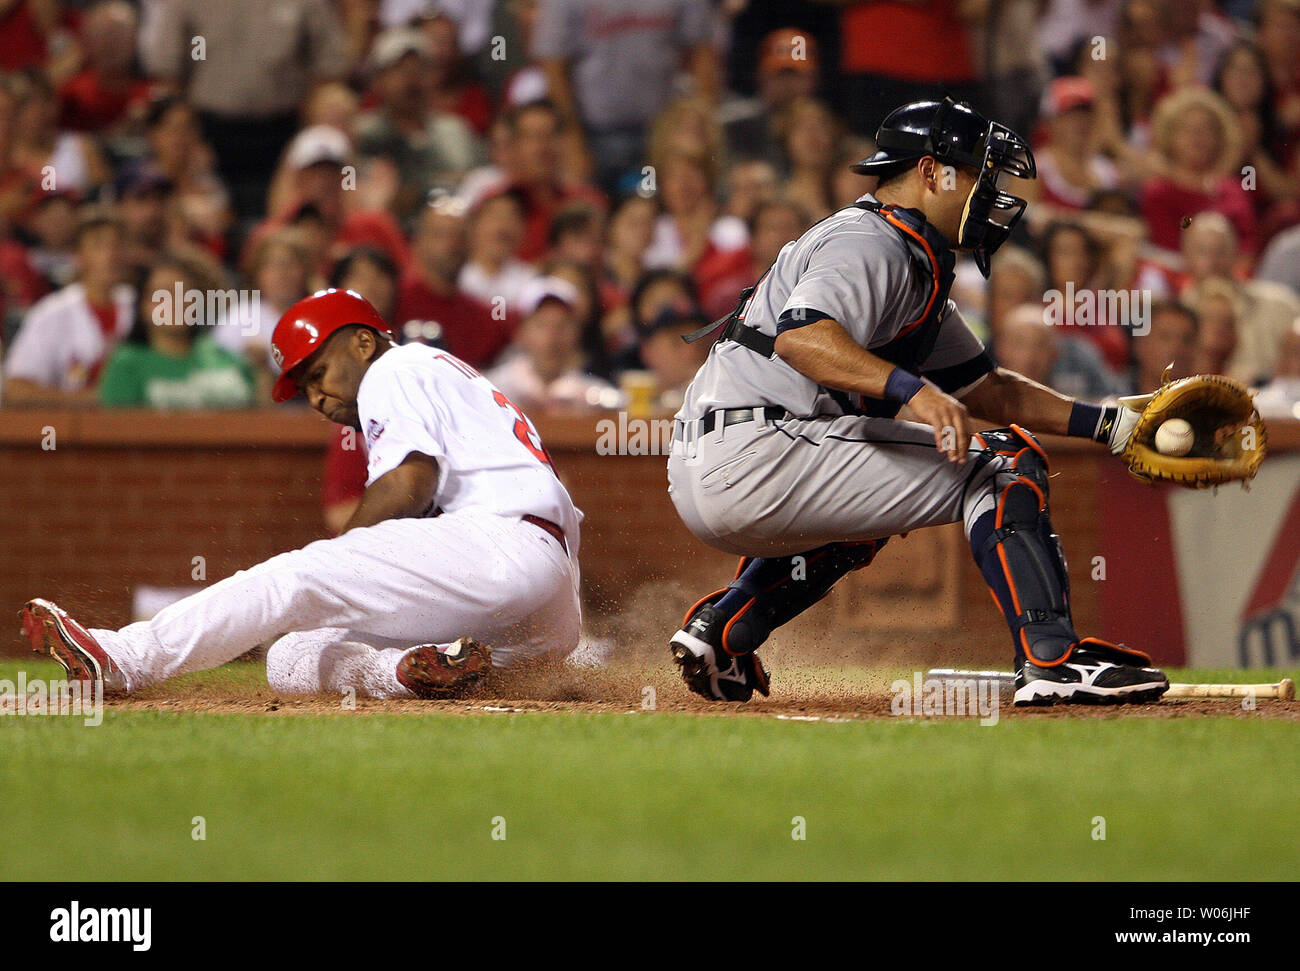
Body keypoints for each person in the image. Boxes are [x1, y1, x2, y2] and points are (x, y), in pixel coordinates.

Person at [665, 98, 1170, 707]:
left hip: (724, 460)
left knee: (866, 521)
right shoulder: (870, 241)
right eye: (982, 177)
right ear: (932, 172)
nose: (993, 195)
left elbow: (989, 387)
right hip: (760, 449)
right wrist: (912, 390)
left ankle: (725, 629)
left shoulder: (907, 255)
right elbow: (802, 338)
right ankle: (1052, 662)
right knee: (1005, 466)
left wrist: (1111, 424)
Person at [22, 288, 583, 701]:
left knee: (298, 577)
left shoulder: (396, 366)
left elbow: (409, 483)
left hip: (496, 547)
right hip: (545, 603)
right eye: (304, 386)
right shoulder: (450, 377)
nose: (315, 396)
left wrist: (339, 560)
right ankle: (399, 673)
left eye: (318, 371)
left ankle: (123, 658)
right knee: (290, 654)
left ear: (364, 341)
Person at [3, 209, 133, 405]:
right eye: (99, 245)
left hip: (137, 427)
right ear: (78, 256)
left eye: (118, 245)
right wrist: (92, 399)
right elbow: (16, 390)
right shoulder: (52, 312)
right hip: (71, 429)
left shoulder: (141, 305)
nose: (111, 254)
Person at [98, 257, 256, 409]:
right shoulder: (128, 364)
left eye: (184, 294)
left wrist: (262, 371)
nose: (174, 303)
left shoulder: (226, 356)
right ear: (143, 306)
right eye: (162, 295)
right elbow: (118, 429)